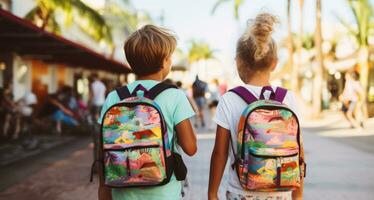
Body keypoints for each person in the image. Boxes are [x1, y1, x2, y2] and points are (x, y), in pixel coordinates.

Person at [208, 13, 305, 200]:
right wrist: (297, 195)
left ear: (238, 62)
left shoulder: (229, 99)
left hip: (241, 191)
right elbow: (298, 151)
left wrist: (212, 193)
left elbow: (219, 153)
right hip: (281, 190)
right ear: (275, 63)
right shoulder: (288, 98)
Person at [97, 24, 197, 200]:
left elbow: (102, 150)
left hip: (122, 192)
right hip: (164, 192)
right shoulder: (174, 96)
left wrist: (103, 190)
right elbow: (190, 148)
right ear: (165, 61)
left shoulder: (113, 98)